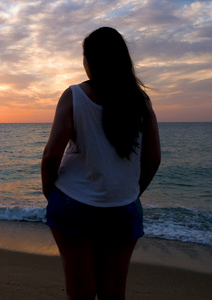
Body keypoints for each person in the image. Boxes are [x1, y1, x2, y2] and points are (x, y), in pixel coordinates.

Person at [41, 27, 161, 300]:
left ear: (90, 60)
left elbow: (51, 155)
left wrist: (51, 193)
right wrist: (130, 192)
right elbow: (153, 159)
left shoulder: (75, 95)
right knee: (113, 292)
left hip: (73, 204)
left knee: (81, 290)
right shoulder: (141, 101)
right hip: (123, 207)